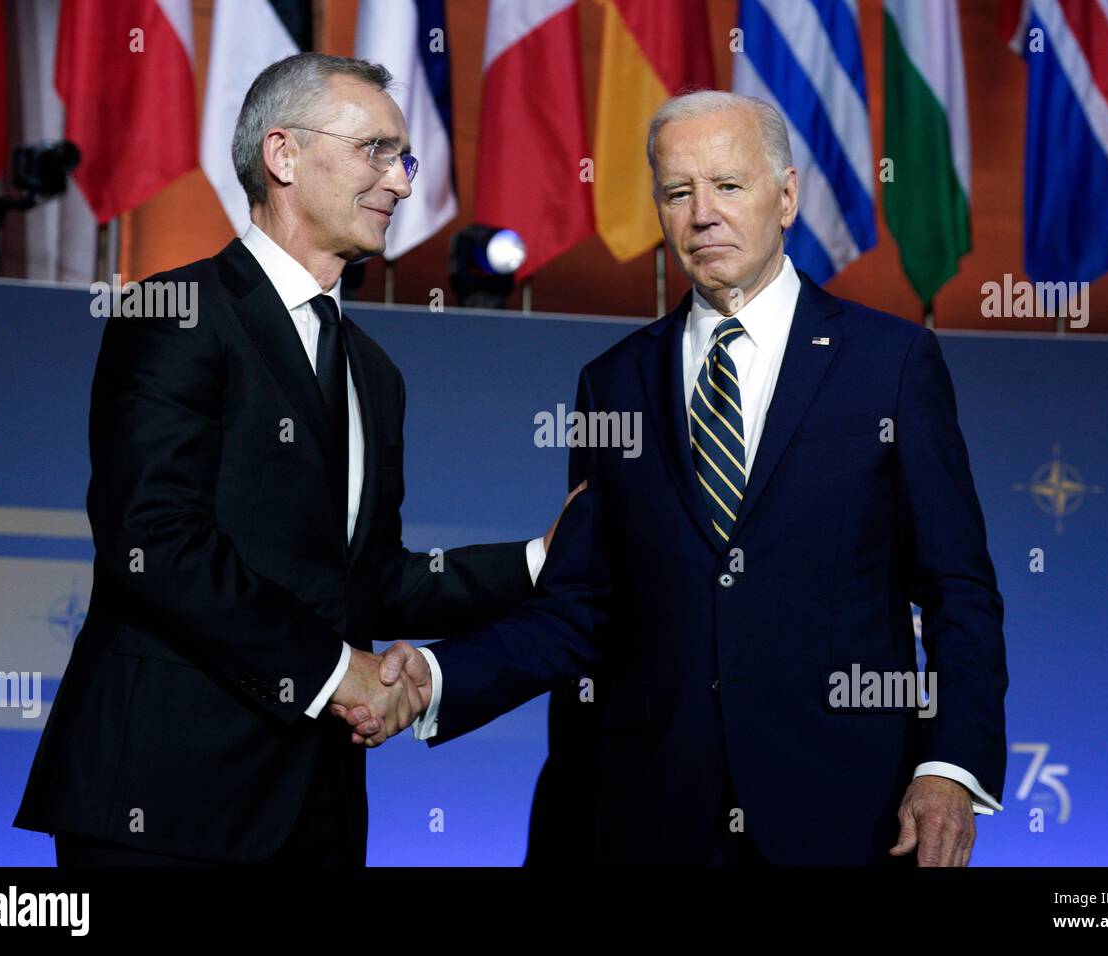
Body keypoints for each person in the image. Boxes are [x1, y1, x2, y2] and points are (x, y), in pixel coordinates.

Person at [337, 91, 1009, 866]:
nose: (702, 214)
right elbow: (580, 609)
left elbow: (958, 589)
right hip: (652, 815)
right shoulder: (612, 383)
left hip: (847, 814)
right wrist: (434, 674)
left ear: (785, 196)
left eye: (728, 186)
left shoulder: (890, 364)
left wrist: (949, 767)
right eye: (678, 192)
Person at [14, 53, 566, 866]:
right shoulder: (179, 313)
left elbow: (368, 578)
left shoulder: (374, 373)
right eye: (376, 150)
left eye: (404, 158)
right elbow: (155, 543)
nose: (402, 183)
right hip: (164, 804)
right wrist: (337, 671)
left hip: (318, 809)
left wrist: (538, 561)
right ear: (282, 155)